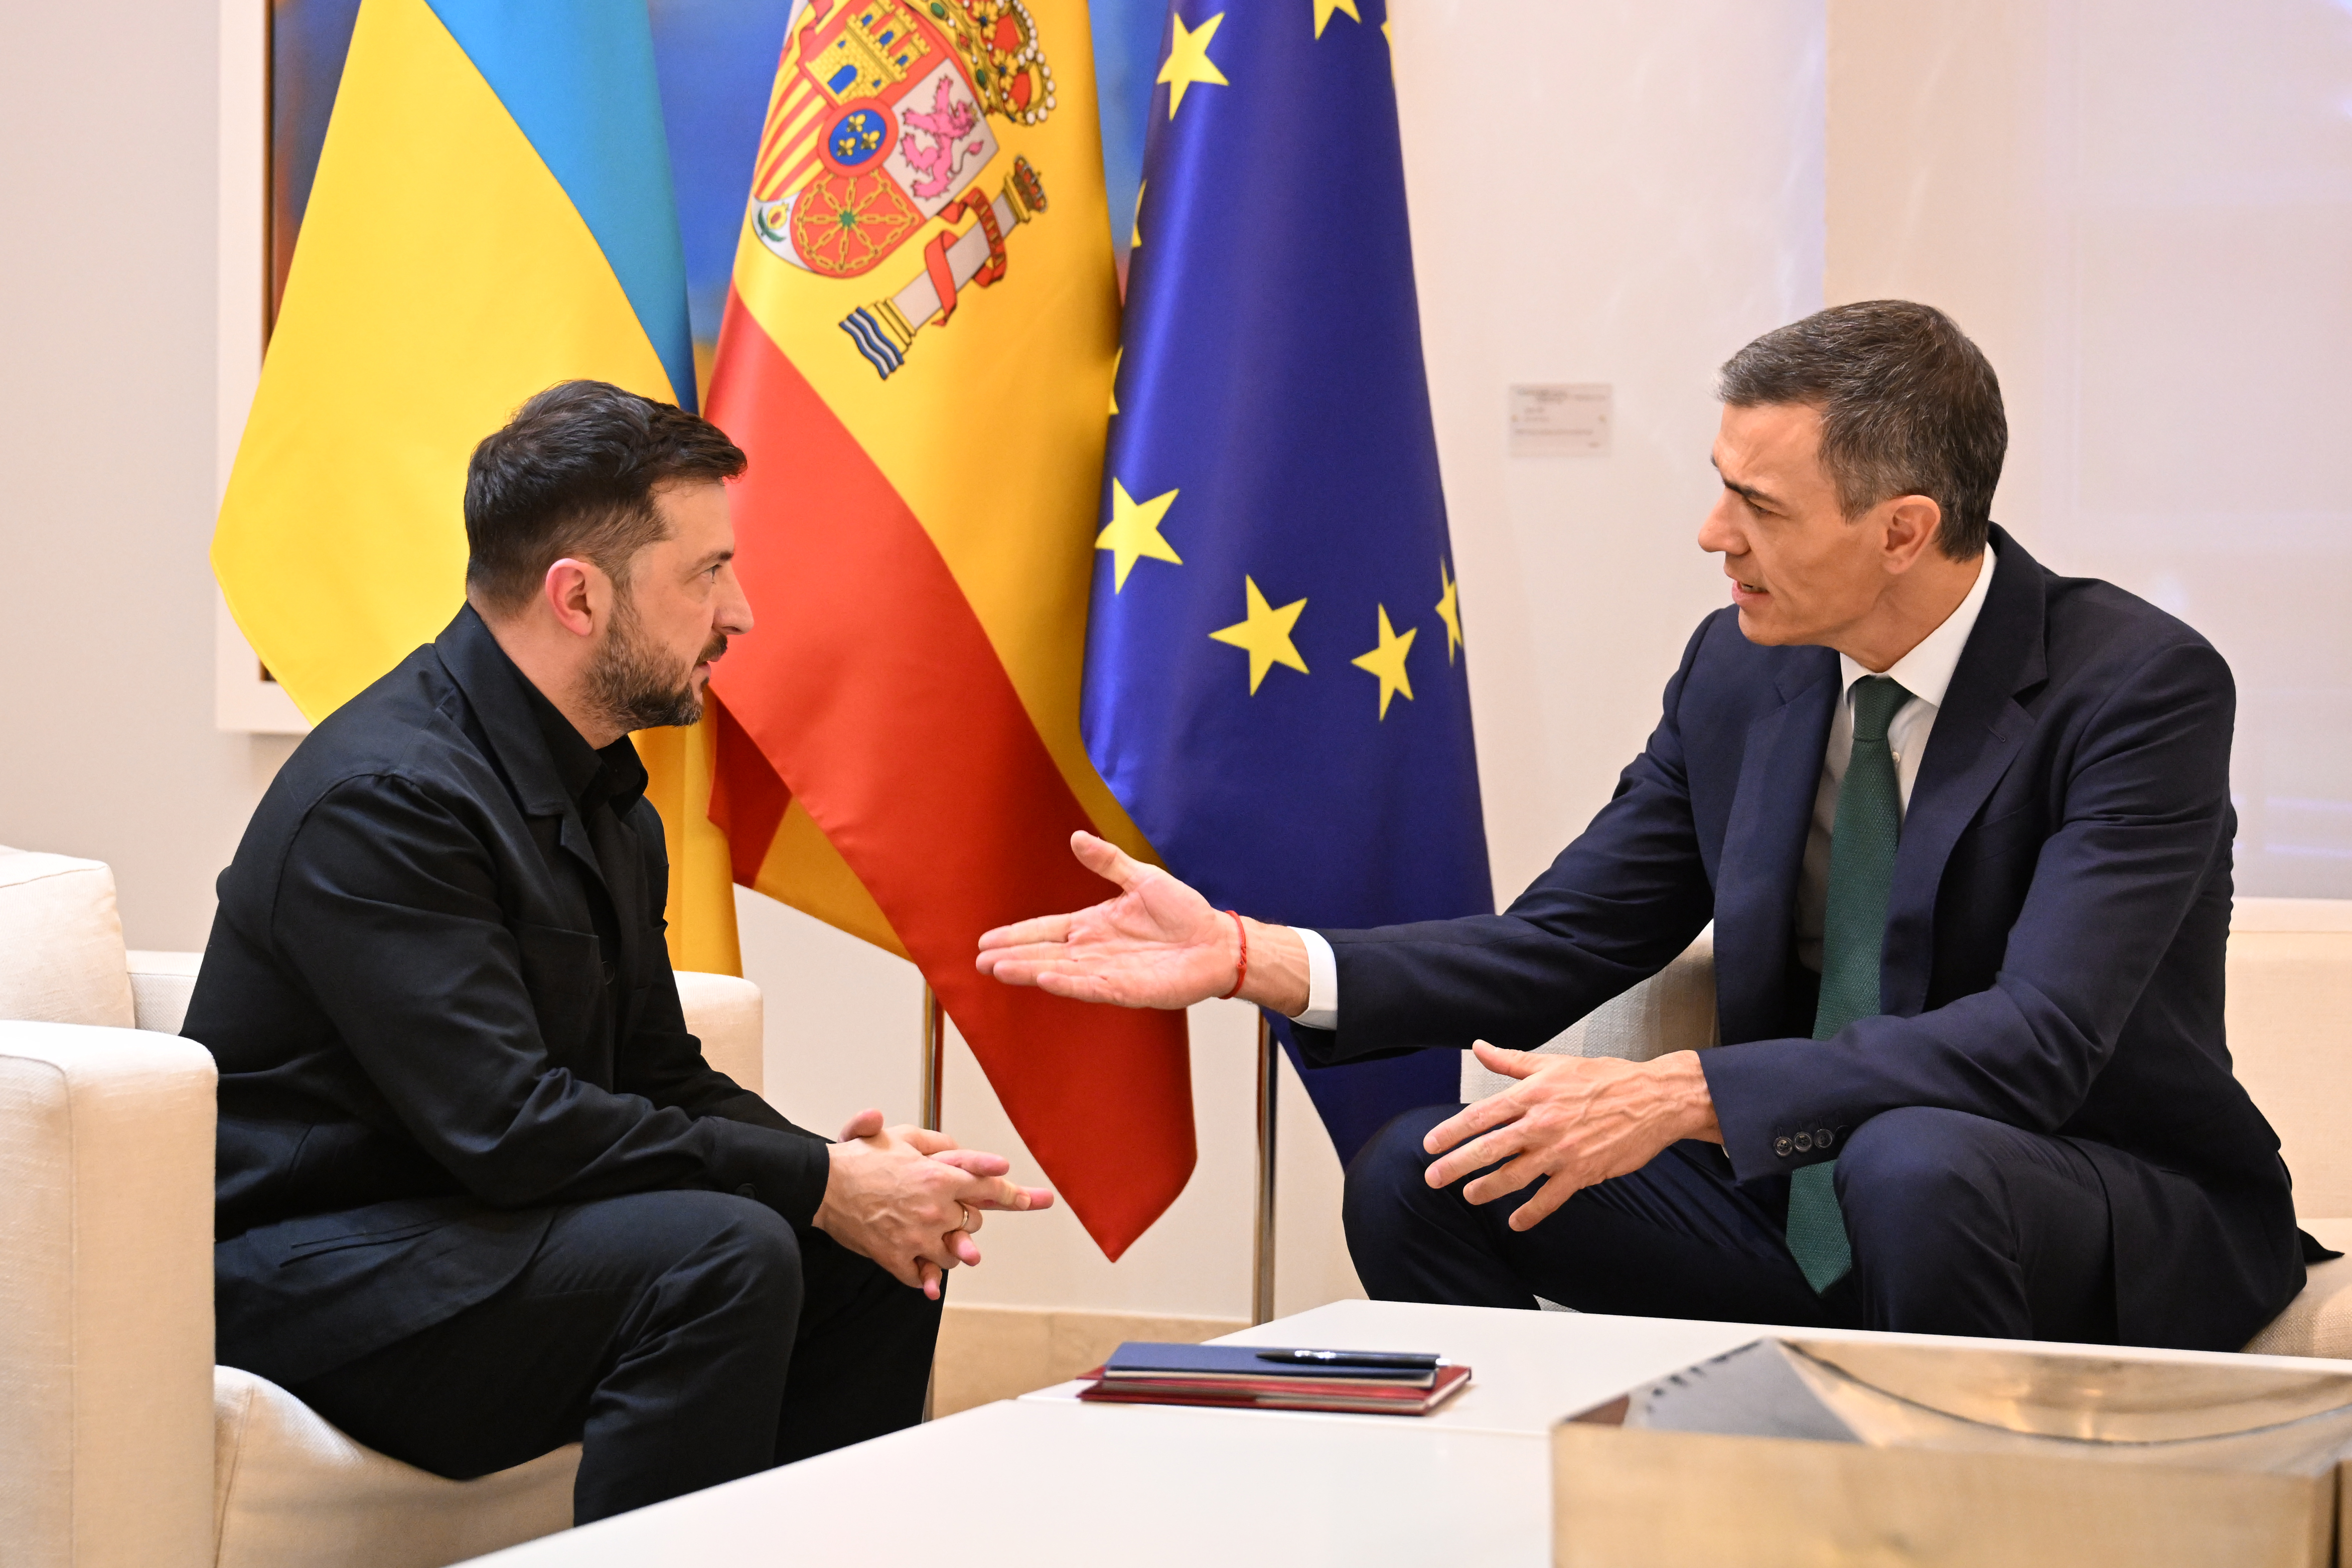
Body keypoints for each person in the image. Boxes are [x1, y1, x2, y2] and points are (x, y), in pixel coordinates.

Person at [976, 300, 2314, 1352]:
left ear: (1904, 529)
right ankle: (1542, 1519)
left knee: (1915, 1160)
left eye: (1762, 507)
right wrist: (1254, 954)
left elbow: (2041, 1041)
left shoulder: (2136, 685)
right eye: (1722, 483)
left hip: (2086, 1201)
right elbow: (1563, 938)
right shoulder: (1741, 670)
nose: (1711, 533)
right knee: (1425, 1171)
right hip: (1809, 1205)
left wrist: (1691, 1097)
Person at [185, 380, 1051, 1523]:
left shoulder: (600, 789)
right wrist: (819, 1179)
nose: (738, 612)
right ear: (579, 595)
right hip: (311, 1269)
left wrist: (856, 1184)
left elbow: (654, 1073)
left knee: (868, 1257)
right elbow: (510, 1127)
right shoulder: (386, 800)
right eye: (705, 573)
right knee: (724, 1251)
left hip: (475, 1236)